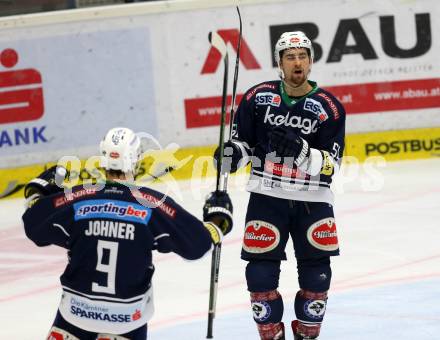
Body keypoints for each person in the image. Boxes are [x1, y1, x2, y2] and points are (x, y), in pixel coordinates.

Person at [22, 127, 233, 340]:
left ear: (103, 159)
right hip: (127, 320)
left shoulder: (77, 199)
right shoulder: (152, 205)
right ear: (137, 159)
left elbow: (34, 225)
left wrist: (36, 191)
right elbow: (198, 244)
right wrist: (218, 220)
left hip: (75, 313)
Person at [214, 31, 345, 339]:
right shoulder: (258, 97)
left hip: (313, 200)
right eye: (290, 57)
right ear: (279, 63)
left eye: (302, 56)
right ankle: (271, 334)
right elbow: (243, 143)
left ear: (311, 62)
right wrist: (233, 154)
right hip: (266, 196)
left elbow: (331, 164)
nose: (297, 62)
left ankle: (307, 333)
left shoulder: (330, 106)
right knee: (259, 274)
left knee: (318, 275)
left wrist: (301, 153)